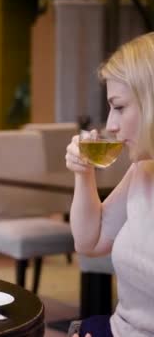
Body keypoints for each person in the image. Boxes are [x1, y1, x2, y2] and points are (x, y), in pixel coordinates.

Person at [65, 32, 154, 337]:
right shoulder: (143, 170)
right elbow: (89, 242)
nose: (111, 125)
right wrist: (83, 174)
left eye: (119, 107)